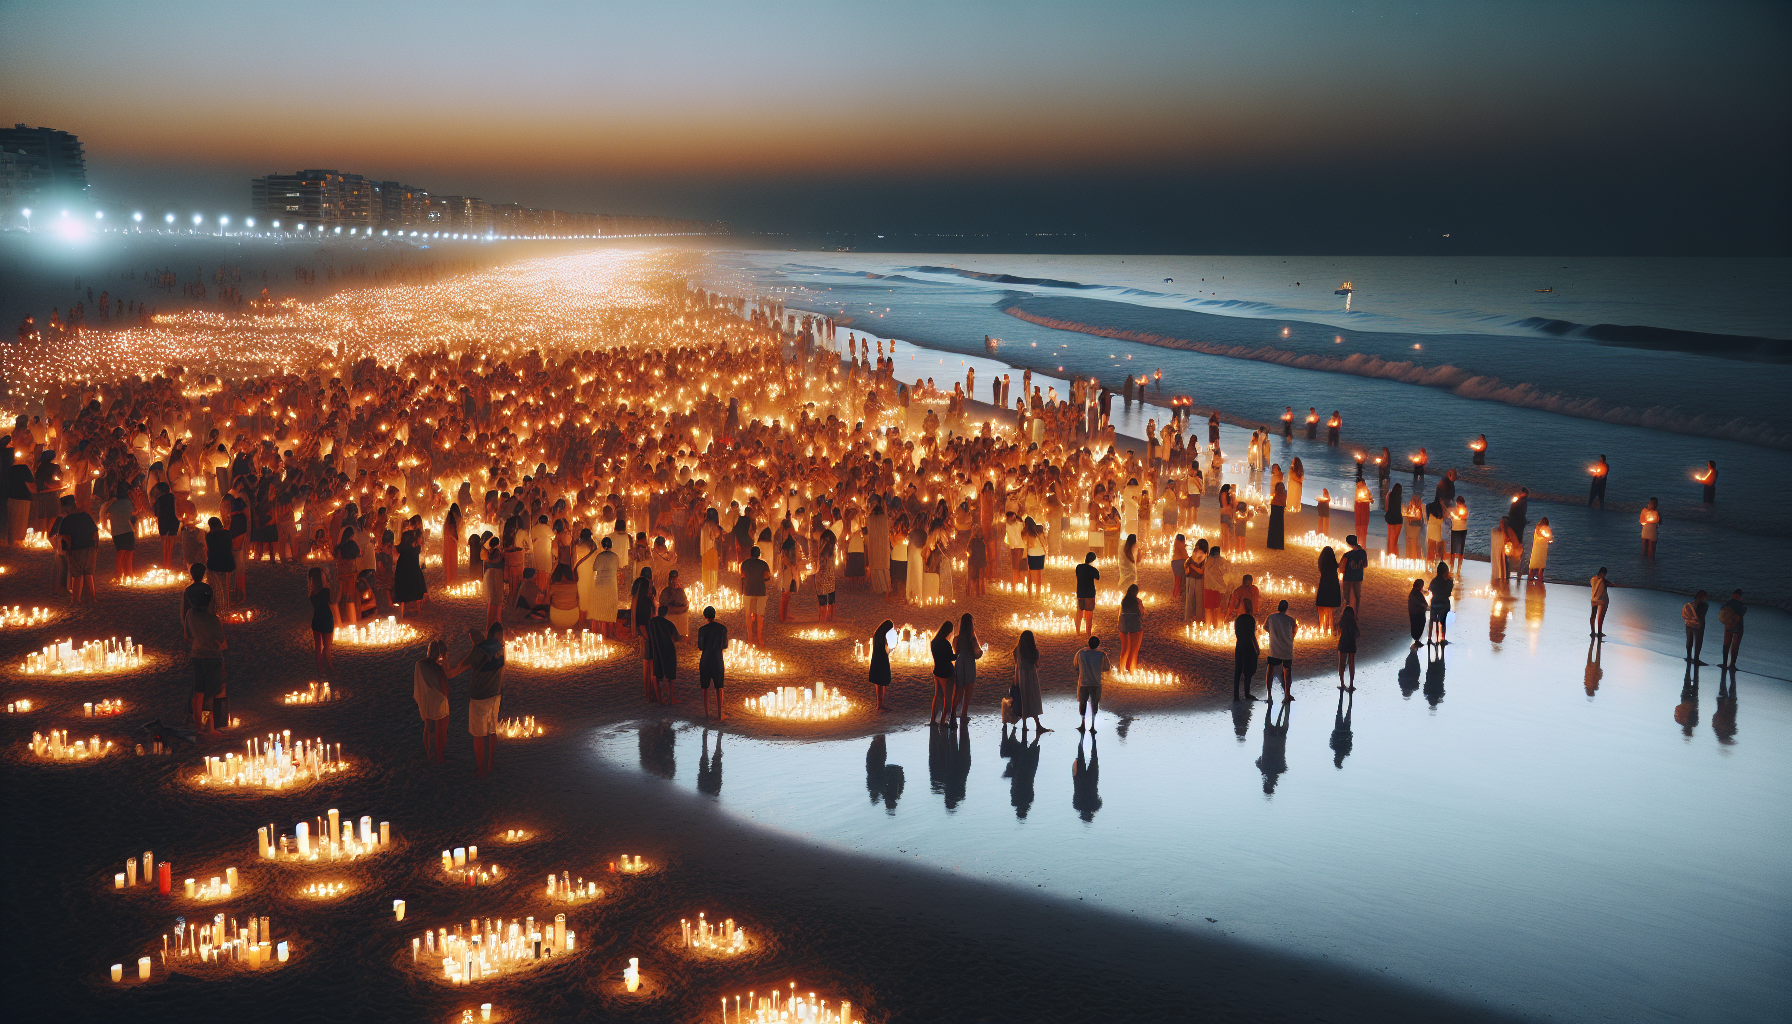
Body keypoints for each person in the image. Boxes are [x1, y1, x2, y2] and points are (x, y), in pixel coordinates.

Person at [460, 622, 506, 776]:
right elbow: (502, 671)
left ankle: (481, 769)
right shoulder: (500, 648)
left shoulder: (479, 650)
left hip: (480, 697)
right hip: (495, 695)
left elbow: (457, 668)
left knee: (479, 734)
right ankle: (491, 764)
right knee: (492, 731)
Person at [186, 584, 227, 737]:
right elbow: (221, 641)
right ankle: (210, 727)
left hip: (196, 655)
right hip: (212, 657)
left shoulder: (190, 614)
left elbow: (189, 634)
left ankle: (198, 726)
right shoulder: (212, 619)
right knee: (211, 693)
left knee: (198, 691)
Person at [414, 640, 454, 762]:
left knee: (428, 726)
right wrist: (446, 697)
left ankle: (428, 753)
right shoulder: (438, 668)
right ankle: (439, 756)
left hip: (426, 700)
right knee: (441, 730)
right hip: (439, 700)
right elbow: (444, 687)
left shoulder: (419, 664)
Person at [60, 495, 100, 606]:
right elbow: (94, 532)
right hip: (90, 548)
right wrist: (95, 546)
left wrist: (69, 547)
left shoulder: (67, 520)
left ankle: (76, 599)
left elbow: (65, 536)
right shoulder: (86, 516)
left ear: (66, 508)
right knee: (88, 573)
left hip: (76, 549)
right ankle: (92, 598)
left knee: (77, 575)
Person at [646, 599, 682, 704]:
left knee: (657, 674)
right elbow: (676, 638)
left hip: (656, 649)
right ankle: (671, 698)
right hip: (668, 650)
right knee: (670, 675)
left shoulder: (651, 622)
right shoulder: (669, 624)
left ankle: (659, 699)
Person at [696, 606, 729, 719]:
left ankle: (707, 713)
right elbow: (725, 645)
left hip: (705, 660)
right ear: (714, 615)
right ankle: (720, 714)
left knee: (705, 687)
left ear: (705, 616)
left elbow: (700, 647)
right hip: (717, 659)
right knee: (719, 687)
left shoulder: (702, 630)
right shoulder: (722, 628)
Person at [1012, 630, 1048, 731]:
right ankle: (1037, 724)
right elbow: (1036, 664)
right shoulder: (1034, 651)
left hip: (1020, 676)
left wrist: (1015, 680)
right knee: (1033, 698)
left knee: (1023, 699)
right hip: (1031, 676)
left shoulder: (1017, 650)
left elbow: (1016, 665)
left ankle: (1024, 725)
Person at [1073, 635, 1110, 731]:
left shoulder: (1081, 653)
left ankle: (1083, 723)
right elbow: (1106, 668)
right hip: (1096, 682)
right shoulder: (1101, 655)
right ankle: (1093, 725)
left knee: (1082, 703)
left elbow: (1075, 665)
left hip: (1083, 682)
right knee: (1094, 703)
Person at [952, 612, 982, 720]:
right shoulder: (971, 638)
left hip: (960, 663)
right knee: (968, 689)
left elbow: (956, 652)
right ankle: (964, 713)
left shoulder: (956, 638)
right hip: (969, 663)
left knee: (959, 689)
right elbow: (977, 652)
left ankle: (953, 712)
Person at [105, 484, 137, 580]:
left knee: (120, 553)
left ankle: (119, 575)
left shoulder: (113, 505)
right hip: (128, 530)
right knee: (129, 553)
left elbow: (107, 511)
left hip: (117, 532)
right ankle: (129, 573)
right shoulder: (128, 503)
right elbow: (134, 512)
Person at [1265, 600, 1296, 700]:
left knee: (1270, 671)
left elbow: (1265, 627)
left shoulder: (1271, 617)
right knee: (1287, 672)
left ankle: (1269, 695)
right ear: (1286, 608)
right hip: (1287, 649)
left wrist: (1273, 633)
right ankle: (1287, 694)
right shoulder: (1290, 619)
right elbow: (1295, 629)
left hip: (1274, 649)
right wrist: (1291, 637)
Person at [307, 566, 335, 674]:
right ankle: (331, 668)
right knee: (327, 647)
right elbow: (332, 601)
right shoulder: (326, 591)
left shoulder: (312, 594)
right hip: (327, 619)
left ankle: (320, 670)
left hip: (317, 620)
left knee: (317, 648)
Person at [929, 620, 956, 726]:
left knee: (937, 695)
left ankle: (932, 719)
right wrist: (957, 655)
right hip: (946, 672)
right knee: (947, 696)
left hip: (937, 671)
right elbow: (951, 657)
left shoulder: (933, 642)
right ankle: (943, 720)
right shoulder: (946, 643)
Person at [740, 544, 769, 643]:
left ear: (750, 554)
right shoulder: (763, 564)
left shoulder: (745, 563)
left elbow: (742, 575)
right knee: (760, 614)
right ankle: (760, 637)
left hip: (748, 591)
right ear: (759, 554)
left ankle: (750, 637)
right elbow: (767, 577)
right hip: (761, 591)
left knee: (748, 614)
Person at [1232, 610, 1258, 701]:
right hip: (1248, 646)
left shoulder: (1238, 619)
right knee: (1248, 670)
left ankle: (1236, 696)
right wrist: (1257, 648)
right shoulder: (1251, 619)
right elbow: (1252, 635)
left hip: (1239, 645)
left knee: (1237, 670)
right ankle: (1247, 693)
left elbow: (1236, 633)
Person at [868, 618, 893, 711]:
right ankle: (880, 704)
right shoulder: (881, 637)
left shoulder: (877, 635)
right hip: (881, 661)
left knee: (879, 684)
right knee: (881, 684)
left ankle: (880, 704)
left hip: (876, 661)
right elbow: (885, 650)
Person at [1117, 584, 1144, 671]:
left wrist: (1119, 625)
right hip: (1134, 624)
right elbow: (1142, 613)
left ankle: (1121, 669)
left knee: (1124, 647)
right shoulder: (1138, 601)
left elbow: (1120, 613)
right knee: (1134, 649)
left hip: (1123, 623)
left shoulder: (1123, 601)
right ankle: (1131, 669)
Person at [546, 564, 582, 629]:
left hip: (556, 618)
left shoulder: (553, 586)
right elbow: (579, 600)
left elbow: (546, 602)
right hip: (573, 618)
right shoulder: (576, 586)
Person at [1315, 546, 1340, 633]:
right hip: (1332, 589)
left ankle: (1322, 626)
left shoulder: (1322, 566)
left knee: (1321, 608)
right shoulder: (1333, 566)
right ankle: (1330, 627)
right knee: (1330, 610)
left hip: (1323, 588)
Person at [1718, 589, 1746, 668]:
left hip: (1728, 625)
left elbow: (1721, 612)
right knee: (1735, 645)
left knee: (1726, 644)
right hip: (1738, 626)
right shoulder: (1741, 604)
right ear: (1740, 597)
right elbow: (1741, 614)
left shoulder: (1728, 603)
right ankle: (1732, 665)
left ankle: (1724, 663)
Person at [1074, 551, 1099, 635]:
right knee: (1089, 615)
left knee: (1079, 612)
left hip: (1080, 593)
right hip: (1089, 594)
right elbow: (1097, 577)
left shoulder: (1079, 567)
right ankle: (1088, 633)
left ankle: (1078, 632)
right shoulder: (1093, 570)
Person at [1428, 562, 1453, 645]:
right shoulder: (1449, 581)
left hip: (1435, 603)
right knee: (1443, 622)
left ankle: (1429, 637)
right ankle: (1443, 638)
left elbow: (1430, 589)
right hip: (1444, 604)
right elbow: (1449, 593)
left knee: (1431, 620)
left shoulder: (1434, 581)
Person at [1681, 590, 1709, 665]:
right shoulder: (1704, 605)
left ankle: (1689, 657)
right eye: (1705, 596)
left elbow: (1685, 613)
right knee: (1698, 641)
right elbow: (1702, 615)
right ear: (1702, 596)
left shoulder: (1690, 603)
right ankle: (1696, 659)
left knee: (1689, 640)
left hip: (1689, 624)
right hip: (1698, 625)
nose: (1706, 597)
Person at [1184, 538, 1207, 621]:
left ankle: (1189, 617)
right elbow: (1200, 571)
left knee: (1190, 599)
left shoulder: (1193, 558)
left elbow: (1200, 571)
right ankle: (1198, 617)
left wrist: (1191, 566)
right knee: (1198, 599)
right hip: (1196, 579)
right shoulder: (1204, 558)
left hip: (1192, 579)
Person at [1341, 534, 1366, 611]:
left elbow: (1341, 568)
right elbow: (1365, 564)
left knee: (1347, 596)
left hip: (1348, 578)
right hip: (1358, 577)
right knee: (1357, 595)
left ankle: (1347, 612)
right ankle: (1355, 612)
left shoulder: (1347, 555)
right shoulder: (1363, 553)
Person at [1337, 605, 1359, 690]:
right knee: (1351, 664)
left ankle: (1342, 684)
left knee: (1341, 664)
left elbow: (1340, 630)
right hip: (1351, 643)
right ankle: (1351, 684)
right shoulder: (1353, 621)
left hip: (1343, 643)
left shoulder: (1342, 621)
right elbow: (1357, 634)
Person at [1589, 566, 1611, 637]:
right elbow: (1611, 584)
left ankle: (1592, 632)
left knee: (1593, 615)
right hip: (1601, 600)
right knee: (1600, 617)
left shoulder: (1592, 579)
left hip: (1593, 599)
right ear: (1602, 574)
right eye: (1604, 574)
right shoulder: (1603, 580)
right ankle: (1599, 632)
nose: (1604, 576)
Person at [1407, 577, 1428, 647]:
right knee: (1418, 625)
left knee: (1416, 625)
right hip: (1417, 613)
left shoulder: (1414, 593)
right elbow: (1419, 603)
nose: (1422, 587)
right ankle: (1416, 640)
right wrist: (1424, 606)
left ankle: (1416, 640)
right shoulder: (1415, 594)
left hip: (1415, 612)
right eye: (1421, 586)